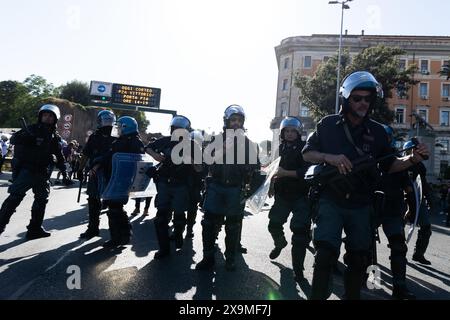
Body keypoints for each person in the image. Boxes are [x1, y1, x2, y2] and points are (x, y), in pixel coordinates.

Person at [302, 71, 429, 300]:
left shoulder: (379, 132)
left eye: (367, 99)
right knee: (324, 255)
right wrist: (329, 158)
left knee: (359, 258)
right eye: (357, 98)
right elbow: (307, 154)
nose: (362, 103)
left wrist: (413, 159)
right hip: (331, 199)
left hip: (362, 203)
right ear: (346, 99)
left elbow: (391, 165)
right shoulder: (328, 124)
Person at [195, 105, 260, 271]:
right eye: (233, 120)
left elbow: (256, 168)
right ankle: (208, 257)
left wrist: (252, 182)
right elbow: (205, 162)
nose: (236, 123)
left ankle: (230, 259)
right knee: (208, 223)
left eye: (239, 120)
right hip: (216, 185)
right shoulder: (216, 139)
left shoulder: (249, 143)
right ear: (227, 121)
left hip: (235, 188)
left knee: (233, 226)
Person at [0, 104, 70, 239]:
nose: (47, 118)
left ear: (55, 119)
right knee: (14, 198)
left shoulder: (54, 136)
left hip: (43, 173)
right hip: (27, 170)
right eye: (45, 115)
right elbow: (14, 139)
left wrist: (65, 173)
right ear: (40, 116)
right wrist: (26, 137)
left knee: (42, 200)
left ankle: (34, 229)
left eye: (50, 116)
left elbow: (59, 156)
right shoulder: (31, 129)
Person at [146, 116, 198, 258]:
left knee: (179, 216)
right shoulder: (165, 141)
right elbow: (148, 147)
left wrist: (190, 160)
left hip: (181, 184)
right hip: (163, 182)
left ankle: (178, 234)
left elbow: (201, 168)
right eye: (175, 129)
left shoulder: (193, 145)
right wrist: (156, 155)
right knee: (161, 218)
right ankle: (164, 249)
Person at [267, 116, 312, 283]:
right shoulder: (281, 147)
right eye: (287, 131)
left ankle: (298, 270)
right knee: (273, 224)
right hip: (282, 194)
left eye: (294, 131)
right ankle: (280, 243)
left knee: (300, 234)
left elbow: (307, 172)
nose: (290, 134)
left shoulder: (305, 149)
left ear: (299, 132)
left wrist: (286, 174)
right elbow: (276, 168)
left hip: (301, 195)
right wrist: (272, 184)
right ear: (282, 132)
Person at [375, 126, 416, 300]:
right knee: (360, 246)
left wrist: (410, 208)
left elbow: (408, 189)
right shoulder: (367, 159)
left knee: (398, 247)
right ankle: (365, 279)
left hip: (392, 209)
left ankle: (399, 286)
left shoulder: (399, 162)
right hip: (370, 208)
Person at [100, 116, 145, 248]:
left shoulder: (134, 142)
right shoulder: (122, 140)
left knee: (114, 209)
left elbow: (136, 163)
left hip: (121, 180)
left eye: (119, 127)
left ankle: (117, 238)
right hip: (115, 178)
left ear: (126, 127)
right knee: (116, 208)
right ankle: (124, 235)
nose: (117, 129)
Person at [78, 110, 116, 239]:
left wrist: (81, 168)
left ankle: (115, 233)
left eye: (108, 120)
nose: (107, 123)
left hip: (110, 172)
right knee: (94, 200)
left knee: (111, 203)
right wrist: (80, 169)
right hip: (97, 173)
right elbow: (86, 153)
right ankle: (94, 229)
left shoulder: (118, 135)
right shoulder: (95, 136)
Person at [403, 140, 433, 265]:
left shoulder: (420, 166)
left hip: (418, 200)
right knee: (398, 228)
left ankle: (418, 254)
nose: (416, 152)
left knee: (426, 227)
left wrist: (430, 199)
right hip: (403, 201)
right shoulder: (401, 163)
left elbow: (423, 184)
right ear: (408, 151)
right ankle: (399, 254)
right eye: (414, 150)